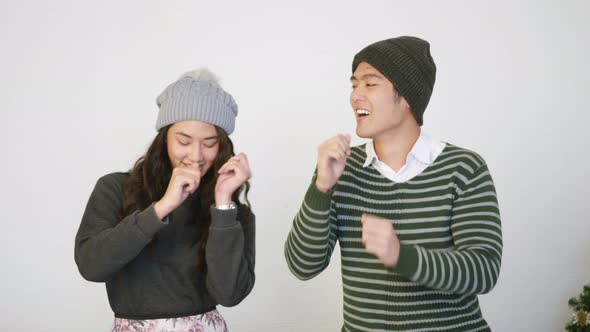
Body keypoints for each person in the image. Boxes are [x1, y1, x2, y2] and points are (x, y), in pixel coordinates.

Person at [284, 36, 502, 331]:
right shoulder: (340, 170)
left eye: (370, 84)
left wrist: (402, 255)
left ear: (408, 96)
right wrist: (321, 188)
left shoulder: (463, 168)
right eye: (354, 85)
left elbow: (483, 271)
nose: (355, 96)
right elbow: (302, 266)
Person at [75, 69, 255, 332]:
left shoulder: (230, 213)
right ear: (164, 139)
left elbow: (230, 295)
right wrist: (161, 208)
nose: (196, 155)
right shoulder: (114, 188)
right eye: (183, 140)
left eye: (209, 143)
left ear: (222, 147)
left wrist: (224, 205)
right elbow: (91, 267)